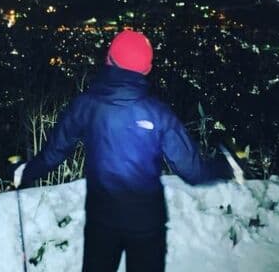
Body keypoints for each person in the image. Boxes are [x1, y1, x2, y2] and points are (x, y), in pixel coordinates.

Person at [14, 29, 232, 272]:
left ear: (108, 59)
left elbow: (54, 153)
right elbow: (193, 172)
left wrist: (25, 173)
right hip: (147, 223)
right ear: (146, 71)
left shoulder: (86, 105)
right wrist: (226, 167)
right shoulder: (159, 113)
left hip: (102, 220)